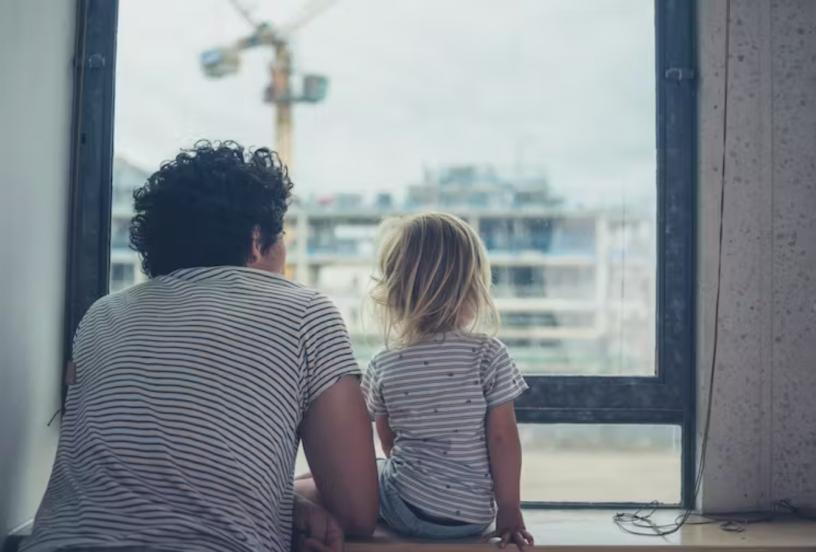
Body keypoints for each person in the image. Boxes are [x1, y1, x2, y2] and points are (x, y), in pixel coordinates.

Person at [22, 141, 378, 552]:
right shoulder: (305, 313)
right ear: (257, 241)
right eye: (280, 236)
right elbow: (355, 510)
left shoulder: (102, 316)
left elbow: (148, 470)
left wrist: (283, 504)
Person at [360, 212, 533, 550]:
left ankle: (297, 497)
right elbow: (502, 438)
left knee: (360, 472)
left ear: (395, 294)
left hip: (404, 511)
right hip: (472, 518)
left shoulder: (384, 363)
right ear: (472, 289)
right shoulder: (488, 354)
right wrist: (510, 510)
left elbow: (388, 439)